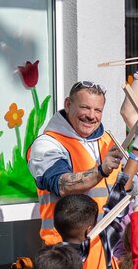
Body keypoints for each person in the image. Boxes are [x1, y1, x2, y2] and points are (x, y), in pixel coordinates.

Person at [29, 81, 128, 244]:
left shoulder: (107, 140)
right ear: (68, 105)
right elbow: (62, 184)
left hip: (105, 248)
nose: (91, 115)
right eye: (85, 107)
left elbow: (122, 187)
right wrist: (101, 170)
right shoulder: (47, 144)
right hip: (67, 252)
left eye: (98, 110)